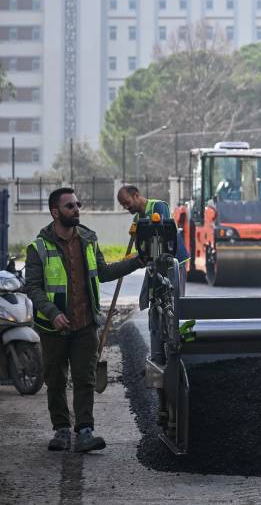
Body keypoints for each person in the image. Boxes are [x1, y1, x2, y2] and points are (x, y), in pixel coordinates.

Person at [24, 187, 145, 453]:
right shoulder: (39, 248)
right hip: (52, 327)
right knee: (55, 379)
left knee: (85, 379)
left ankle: (85, 432)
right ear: (55, 212)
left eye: (78, 204)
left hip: (85, 325)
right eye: (70, 206)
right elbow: (33, 287)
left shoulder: (89, 239)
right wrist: (53, 314)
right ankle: (61, 430)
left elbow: (103, 272)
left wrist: (137, 261)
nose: (76, 209)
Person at [116, 185, 189, 365]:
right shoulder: (137, 218)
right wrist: (133, 257)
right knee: (156, 306)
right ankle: (159, 352)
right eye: (123, 205)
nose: (127, 207)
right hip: (156, 266)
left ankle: (177, 347)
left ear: (136, 195)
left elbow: (164, 237)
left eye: (127, 202)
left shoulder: (158, 207)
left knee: (173, 305)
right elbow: (141, 246)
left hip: (173, 263)